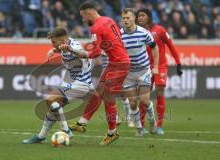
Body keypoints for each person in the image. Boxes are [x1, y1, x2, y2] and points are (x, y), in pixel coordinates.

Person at [61, 1, 130, 146]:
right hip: (116, 62)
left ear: (90, 12)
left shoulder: (97, 27)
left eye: (83, 16)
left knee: (108, 97)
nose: (83, 20)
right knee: (99, 93)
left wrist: (72, 51)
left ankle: (112, 133)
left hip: (120, 64)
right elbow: (115, 41)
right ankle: (82, 123)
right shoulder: (109, 20)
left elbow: (95, 53)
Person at [22, 27, 94, 144]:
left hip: (81, 84)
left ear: (62, 40)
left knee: (50, 99)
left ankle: (66, 131)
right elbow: (61, 49)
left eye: (54, 42)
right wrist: (54, 51)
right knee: (54, 107)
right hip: (73, 82)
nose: (52, 44)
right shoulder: (63, 45)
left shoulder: (74, 46)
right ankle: (41, 136)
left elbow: (84, 54)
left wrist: (71, 50)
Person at [137, 9, 183, 135]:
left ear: (149, 17)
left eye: (143, 15)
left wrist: (178, 62)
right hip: (145, 67)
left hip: (160, 66)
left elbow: (171, 45)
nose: (140, 18)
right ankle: (141, 125)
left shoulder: (160, 30)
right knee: (143, 97)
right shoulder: (137, 32)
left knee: (160, 91)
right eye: (138, 16)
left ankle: (159, 125)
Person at [120, 8, 159, 136]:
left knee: (144, 100)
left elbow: (154, 47)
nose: (125, 20)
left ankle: (152, 121)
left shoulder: (143, 33)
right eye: (124, 18)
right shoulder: (119, 35)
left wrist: (156, 66)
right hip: (128, 73)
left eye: (128, 18)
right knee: (132, 102)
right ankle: (139, 128)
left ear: (134, 19)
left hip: (143, 71)